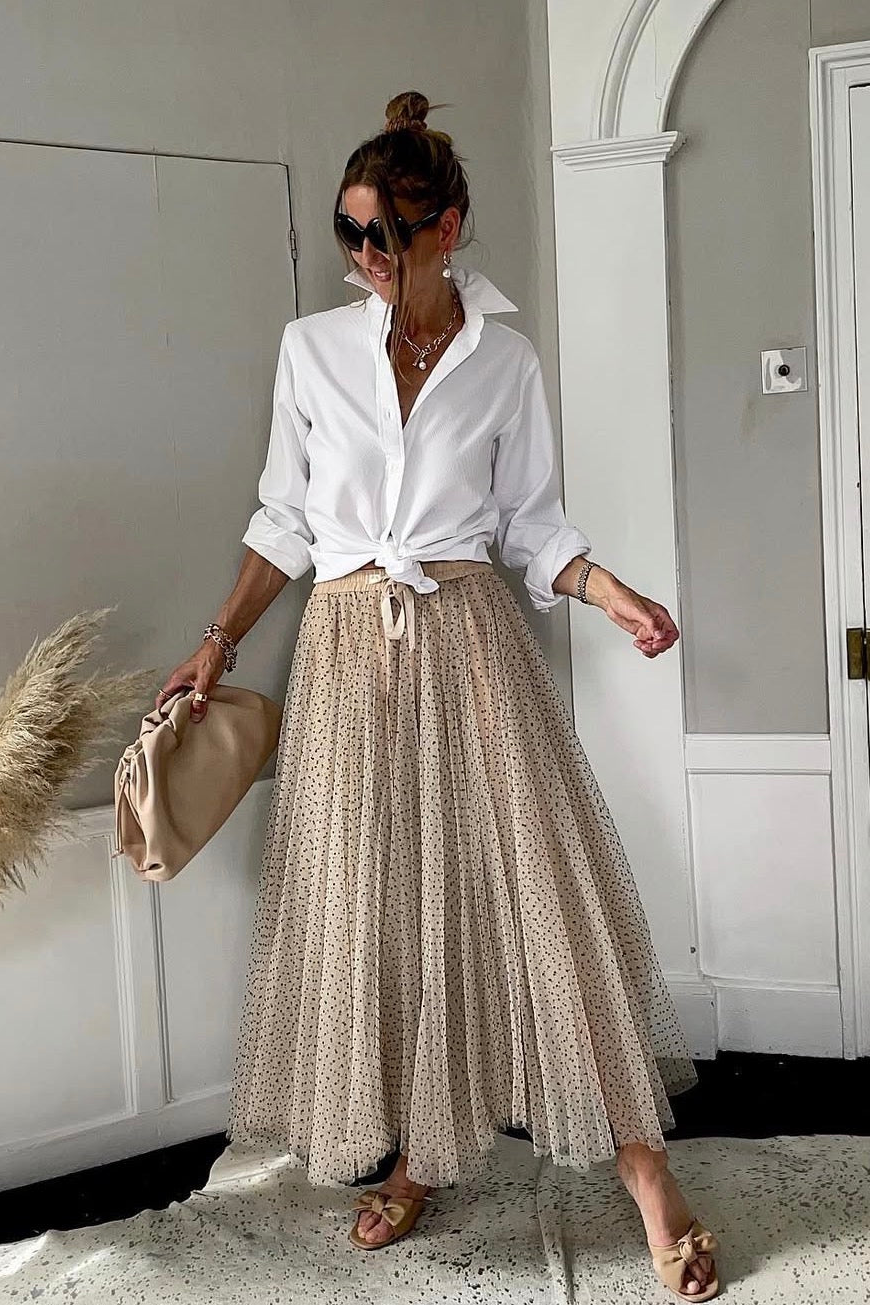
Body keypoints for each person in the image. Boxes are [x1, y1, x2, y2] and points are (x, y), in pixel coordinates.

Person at [157, 90, 720, 1300]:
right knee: (383, 917)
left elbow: (534, 526)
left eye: (384, 235)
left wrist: (612, 595)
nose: (363, 257)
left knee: (548, 910)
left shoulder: (504, 360)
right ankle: (419, 1158)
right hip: (351, 656)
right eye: (350, 232)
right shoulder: (311, 350)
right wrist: (219, 639)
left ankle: (648, 1181)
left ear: (447, 227)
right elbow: (286, 520)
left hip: (471, 646)